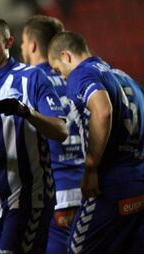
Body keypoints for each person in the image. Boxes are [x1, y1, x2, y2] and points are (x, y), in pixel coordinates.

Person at [0, 16, 68, 254]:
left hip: (30, 198)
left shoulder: (31, 77)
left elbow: (61, 130)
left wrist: (27, 113)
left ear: (8, 41)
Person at [48, 31, 144, 254]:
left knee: (77, 249)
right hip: (138, 181)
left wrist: (91, 166)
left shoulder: (81, 74)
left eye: (58, 69)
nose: (62, 77)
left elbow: (102, 111)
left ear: (66, 56)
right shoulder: (124, 76)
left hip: (110, 185)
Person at [21, 15, 84, 253]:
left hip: (56, 192)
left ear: (33, 45)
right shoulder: (77, 77)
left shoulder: (29, 80)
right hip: (88, 187)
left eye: (24, 44)